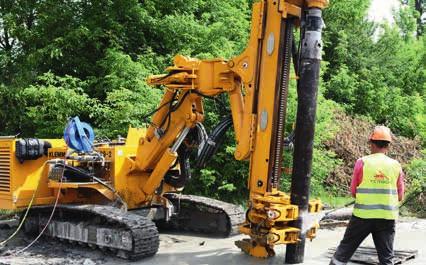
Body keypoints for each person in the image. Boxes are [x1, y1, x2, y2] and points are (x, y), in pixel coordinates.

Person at [330, 126, 405, 265]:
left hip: (362, 218)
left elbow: (353, 191)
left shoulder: (362, 162)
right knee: (386, 259)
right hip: (386, 218)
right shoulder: (396, 165)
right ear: (388, 145)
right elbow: (400, 195)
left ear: (372, 143)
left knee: (342, 254)